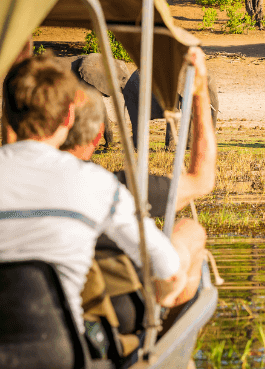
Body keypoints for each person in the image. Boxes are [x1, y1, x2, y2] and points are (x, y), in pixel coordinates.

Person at [0, 55, 206, 335]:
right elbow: (166, 266)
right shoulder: (94, 183)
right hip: (62, 350)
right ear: (68, 116)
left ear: (7, 114)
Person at [61, 47, 216, 340]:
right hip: (103, 328)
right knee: (190, 231)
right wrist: (199, 92)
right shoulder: (108, 189)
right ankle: (160, 342)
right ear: (97, 136)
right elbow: (201, 180)